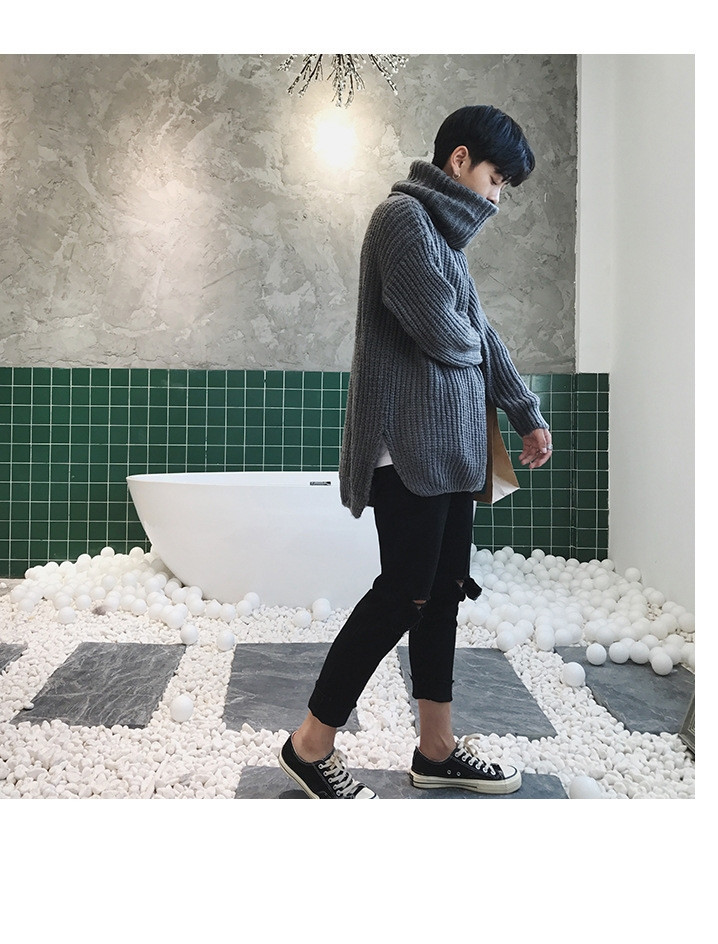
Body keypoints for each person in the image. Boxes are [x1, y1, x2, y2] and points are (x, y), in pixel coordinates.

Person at [278, 105, 553, 799]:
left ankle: (436, 749)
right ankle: (310, 744)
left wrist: (524, 410)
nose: (496, 198)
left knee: (443, 597)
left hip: (452, 452)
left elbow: (481, 337)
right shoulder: (401, 221)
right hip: (405, 450)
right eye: (495, 179)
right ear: (459, 160)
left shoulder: (446, 243)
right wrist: (475, 345)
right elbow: (447, 333)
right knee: (404, 595)